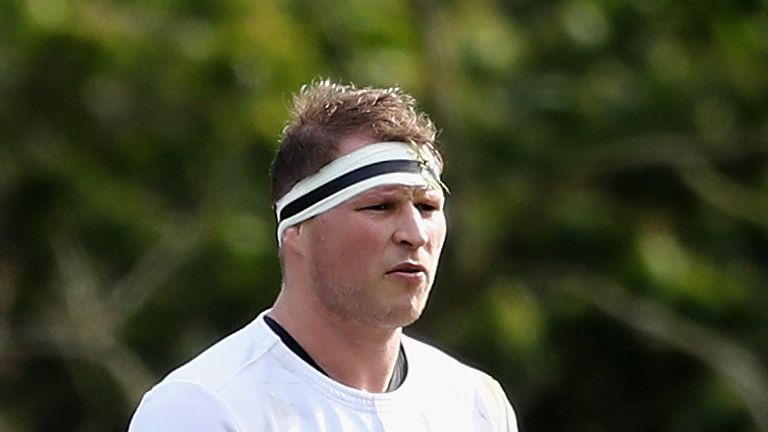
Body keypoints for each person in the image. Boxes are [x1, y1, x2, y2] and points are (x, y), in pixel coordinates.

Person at [128, 80, 519, 431]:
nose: (415, 234)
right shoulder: (203, 408)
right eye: (380, 207)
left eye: (428, 207)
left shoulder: (475, 406)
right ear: (296, 231)